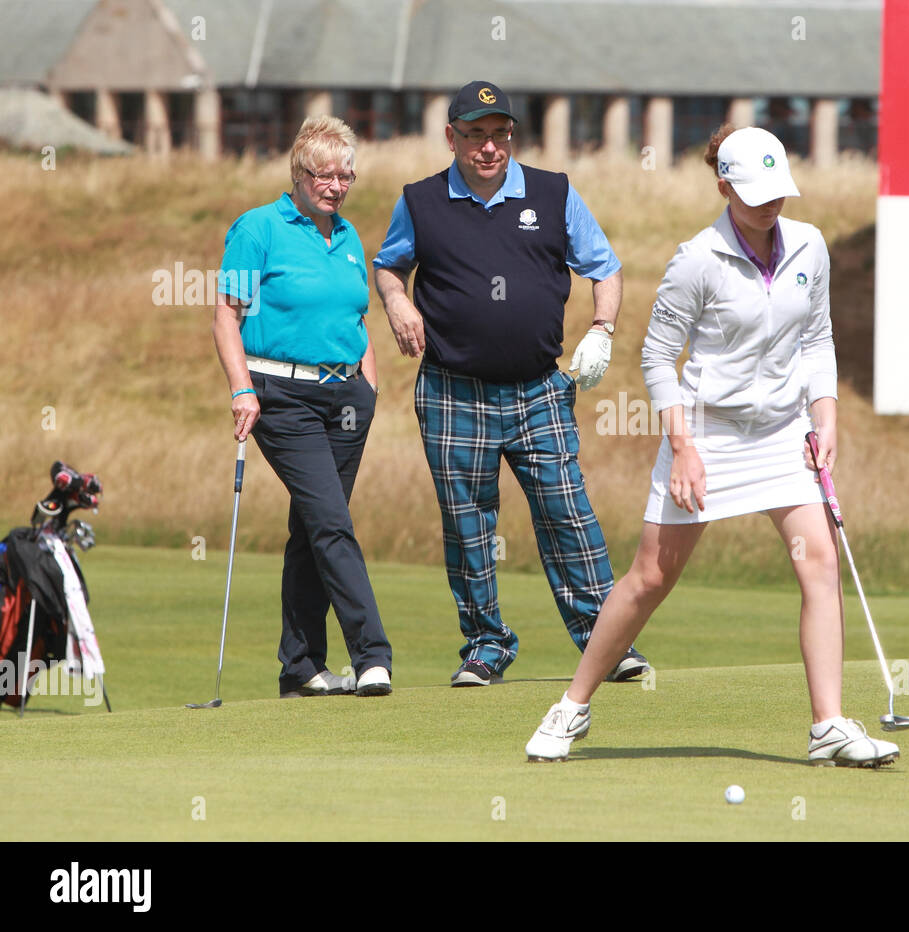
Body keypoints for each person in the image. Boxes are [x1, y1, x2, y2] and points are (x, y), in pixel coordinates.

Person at [525, 125, 901, 767]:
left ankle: (829, 725)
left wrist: (826, 415)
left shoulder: (810, 246)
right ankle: (572, 706)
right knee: (650, 578)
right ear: (723, 185)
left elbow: (817, 341)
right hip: (706, 435)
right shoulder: (696, 258)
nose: (769, 204)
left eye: (777, 191)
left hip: (784, 435)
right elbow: (657, 355)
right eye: (753, 193)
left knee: (820, 565)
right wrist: (683, 446)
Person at [373, 81, 649, 686]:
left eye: (499, 134)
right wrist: (396, 303)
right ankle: (485, 646)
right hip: (452, 389)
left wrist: (602, 328)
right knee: (468, 523)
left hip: (539, 388)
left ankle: (606, 641)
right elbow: (389, 266)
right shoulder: (421, 201)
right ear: (452, 138)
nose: (489, 147)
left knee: (567, 512)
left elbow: (604, 267)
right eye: (475, 135)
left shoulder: (552, 193)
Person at [213, 115, 393, 699]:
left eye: (347, 176)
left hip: (346, 398)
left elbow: (356, 316)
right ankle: (372, 655)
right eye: (325, 174)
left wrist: (368, 383)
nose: (336, 186)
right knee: (333, 523)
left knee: (311, 529)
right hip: (282, 396)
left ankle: (301, 666)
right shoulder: (257, 228)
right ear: (299, 172)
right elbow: (226, 317)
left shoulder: (347, 237)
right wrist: (242, 389)